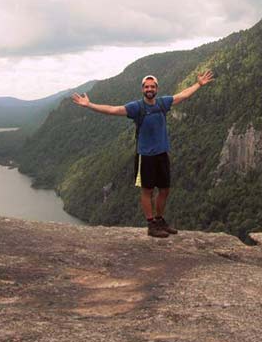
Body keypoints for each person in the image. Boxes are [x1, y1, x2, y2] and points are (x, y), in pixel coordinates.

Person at [71, 70, 214, 237]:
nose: (149, 89)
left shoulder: (163, 103)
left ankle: (160, 220)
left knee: (164, 189)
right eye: (147, 86)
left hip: (162, 154)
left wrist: (198, 84)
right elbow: (113, 110)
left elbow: (182, 95)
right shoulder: (136, 107)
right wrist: (89, 105)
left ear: (157, 88)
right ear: (142, 89)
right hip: (145, 156)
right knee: (147, 191)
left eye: (152, 86)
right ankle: (151, 224)